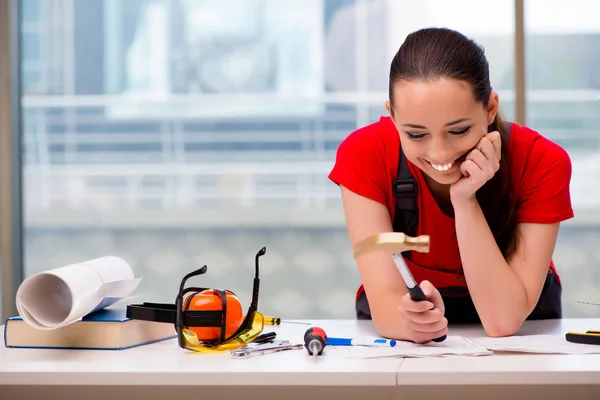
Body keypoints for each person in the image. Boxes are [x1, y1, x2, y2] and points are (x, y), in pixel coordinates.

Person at [328, 27, 574, 343]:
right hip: (411, 343)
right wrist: (412, 322)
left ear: (490, 108)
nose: (440, 154)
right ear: (392, 116)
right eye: (416, 134)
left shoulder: (542, 162)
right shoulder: (364, 155)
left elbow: (502, 321)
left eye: (458, 131)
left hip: (521, 334)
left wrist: (465, 199)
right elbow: (386, 301)